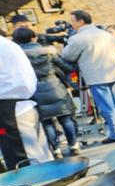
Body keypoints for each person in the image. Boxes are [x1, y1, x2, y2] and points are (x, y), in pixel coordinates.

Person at [61, 10, 115, 144]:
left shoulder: (77, 38)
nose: (72, 24)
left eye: (73, 21)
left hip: (95, 76)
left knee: (107, 106)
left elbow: (67, 56)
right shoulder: (105, 34)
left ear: (81, 21)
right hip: (113, 73)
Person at [12, 28, 80, 157]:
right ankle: (74, 145)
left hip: (34, 91)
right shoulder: (48, 52)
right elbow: (68, 67)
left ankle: (56, 150)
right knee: (66, 119)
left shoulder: (17, 56)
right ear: (34, 38)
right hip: (55, 88)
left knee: (47, 122)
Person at [0, 34, 53, 168]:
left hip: (10, 108)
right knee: (40, 153)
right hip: (24, 103)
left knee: (22, 157)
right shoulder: (8, 43)